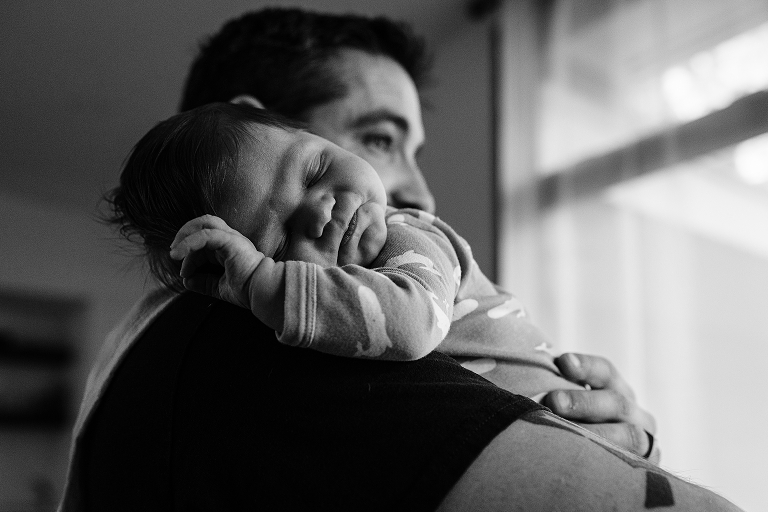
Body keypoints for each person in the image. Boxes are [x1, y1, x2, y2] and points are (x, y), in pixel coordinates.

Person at [58, 8, 744, 512]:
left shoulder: (165, 359)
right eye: (381, 137)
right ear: (250, 120)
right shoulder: (229, 330)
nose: (417, 190)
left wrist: (615, 438)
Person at [112, 102, 585, 401]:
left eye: (316, 169)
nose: (320, 213)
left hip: (569, 409)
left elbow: (409, 325)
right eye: (278, 243)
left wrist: (262, 279)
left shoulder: (411, 236)